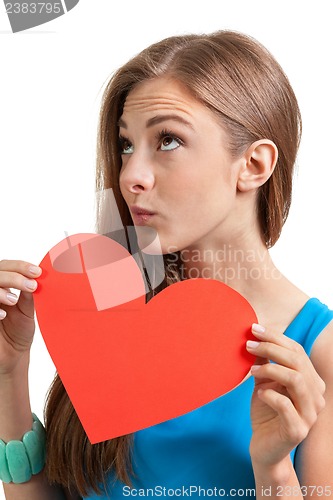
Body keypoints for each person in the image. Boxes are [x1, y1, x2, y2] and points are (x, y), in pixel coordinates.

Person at [0, 30, 332, 500]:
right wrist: (8, 374)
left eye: (169, 140)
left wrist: (274, 468)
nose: (131, 175)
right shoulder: (110, 309)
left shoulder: (318, 354)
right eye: (127, 145)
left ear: (254, 165)